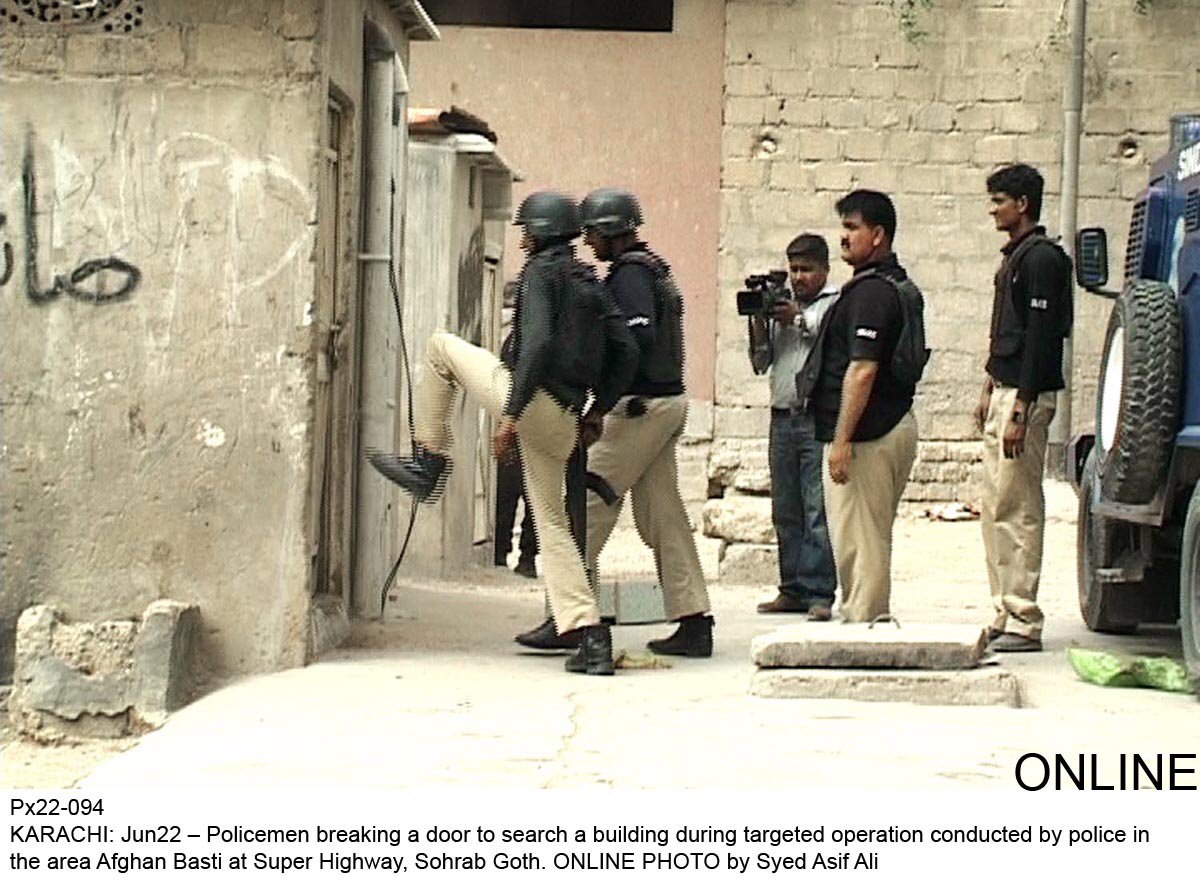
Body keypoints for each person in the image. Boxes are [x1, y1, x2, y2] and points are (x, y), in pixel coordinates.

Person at [367, 190, 637, 675]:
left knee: (440, 348)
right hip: (567, 416)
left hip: (532, 402)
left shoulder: (540, 273)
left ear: (534, 234)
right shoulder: (591, 284)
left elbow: (535, 345)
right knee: (553, 527)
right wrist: (597, 410)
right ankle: (590, 635)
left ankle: (429, 460)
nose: (524, 239)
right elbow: (627, 351)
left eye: (525, 231)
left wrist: (510, 416)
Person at [517, 188, 714, 658]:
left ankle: (570, 618)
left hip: (639, 409)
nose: (587, 242)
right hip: (664, 404)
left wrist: (598, 405)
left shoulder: (628, 277)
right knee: (664, 516)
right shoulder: (651, 268)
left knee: (582, 507)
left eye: (591, 233)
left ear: (607, 231)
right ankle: (694, 620)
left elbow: (631, 346)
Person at [810, 190, 920, 623]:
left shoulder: (872, 293)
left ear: (878, 236)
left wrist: (841, 440)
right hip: (885, 427)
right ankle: (863, 615)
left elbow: (862, 371)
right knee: (866, 535)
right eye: (843, 227)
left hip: (869, 435)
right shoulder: (888, 285)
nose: (843, 237)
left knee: (861, 539)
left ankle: (865, 625)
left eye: (852, 228)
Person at [975, 164, 1072, 653]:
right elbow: (1006, 334)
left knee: (1018, 505)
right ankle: (1003, 608)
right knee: (994, 506)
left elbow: (1041, 340)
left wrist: (1021, 408)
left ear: (1023, 204)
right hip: (1006, 389)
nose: (993, 209)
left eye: (1000, 201)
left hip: (1024, 396)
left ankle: (1023, 618)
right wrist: (989, 387)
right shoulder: (1015, 258)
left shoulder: (1042, 261)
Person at [750, 234, 840, 621]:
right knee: (785, 508)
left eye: (806, 270)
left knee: (816, 509)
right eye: (794, 270)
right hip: (780, 417)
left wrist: (797, 320)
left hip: (814, 417)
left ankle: (820, 592)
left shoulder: (833, 304)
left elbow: (831, 342)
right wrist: (759, 321)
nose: (799, 278)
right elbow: (760, 362)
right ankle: (791, 588)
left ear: (824, 269)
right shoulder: (779, 306)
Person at [493, 284, 538, 578]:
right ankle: (508, 554)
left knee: (527, 498)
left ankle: (523, 556)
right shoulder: (516, 342)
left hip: (527, 426)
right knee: (512, 495)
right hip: (521, 426)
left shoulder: (524, 341)